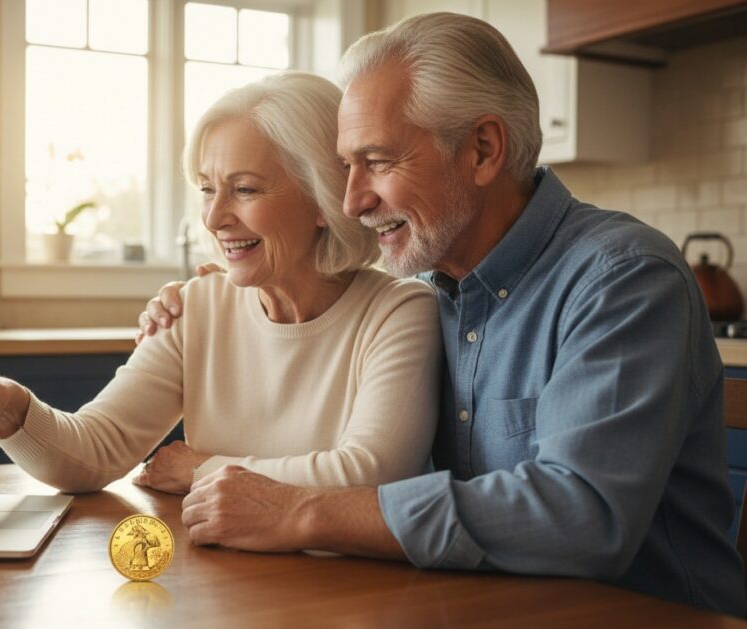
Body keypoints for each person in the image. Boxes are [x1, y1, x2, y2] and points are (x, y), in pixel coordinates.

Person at [138, 12, 745, 617]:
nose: (353, 200)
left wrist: (300, 510)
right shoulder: (426, 292)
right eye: (347, 166)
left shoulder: (622, 278)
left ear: (482, 149)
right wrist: (229, 293)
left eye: (376, 161)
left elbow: (579, 515)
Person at [0, 72, 442, 498]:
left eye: (244, 189)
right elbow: (94, 452)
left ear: (323, 198)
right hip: (225, 587)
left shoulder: (400, 310)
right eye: (205, 188)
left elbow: (371, 475)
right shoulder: (197, 307)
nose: (215, 218)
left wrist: (202, 468)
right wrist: (12, 407)